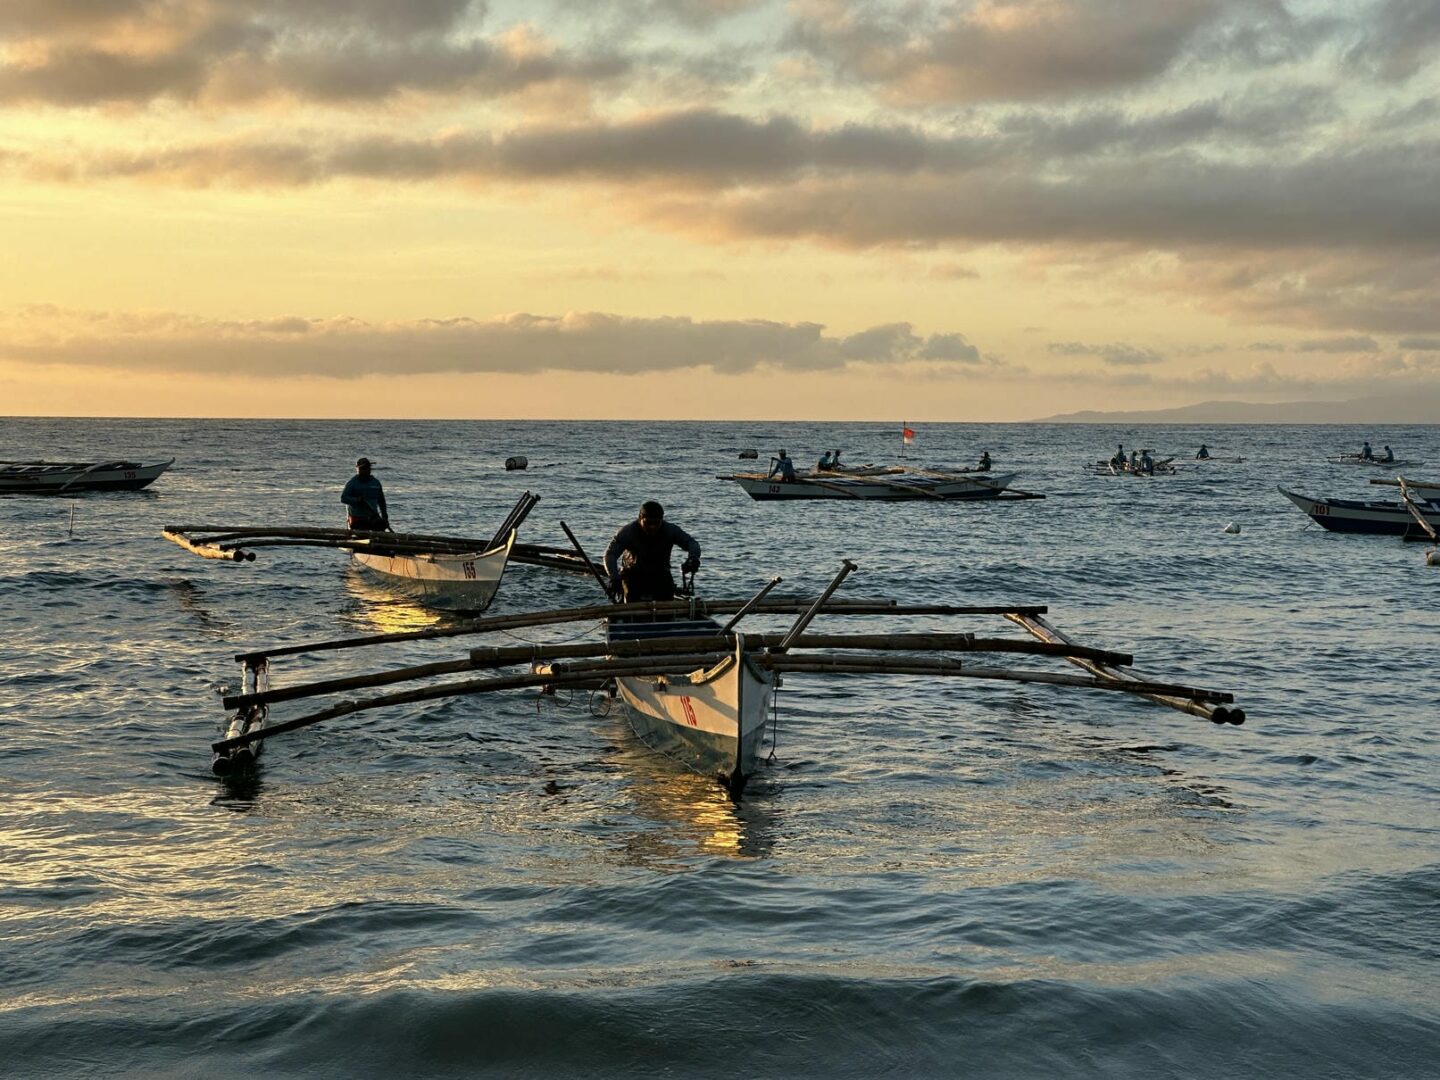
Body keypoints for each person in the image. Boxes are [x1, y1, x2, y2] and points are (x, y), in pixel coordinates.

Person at [603, 501, 701, 603]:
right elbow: (610, 554)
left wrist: (693, 558)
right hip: (633, 576)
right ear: (640, 519)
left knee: (666, 606)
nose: (652, 527)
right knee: (631, 601)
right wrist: (614, 577)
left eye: (656, 523)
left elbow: (691, 543)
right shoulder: (627, 532)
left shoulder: (670, 530)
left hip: (661, 575)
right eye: (648, 523)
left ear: (662, 520)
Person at [341, 457, 390, 531]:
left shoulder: (376, 483)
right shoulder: (352, 483)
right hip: (358, 519)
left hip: (373, 518)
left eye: (368, 468)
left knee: (380, 529)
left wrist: (385, 518)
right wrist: (356, 500)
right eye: (364, 468)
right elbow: (343, 498)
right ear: (358, 469)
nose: (367, 470)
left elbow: (382, 502)